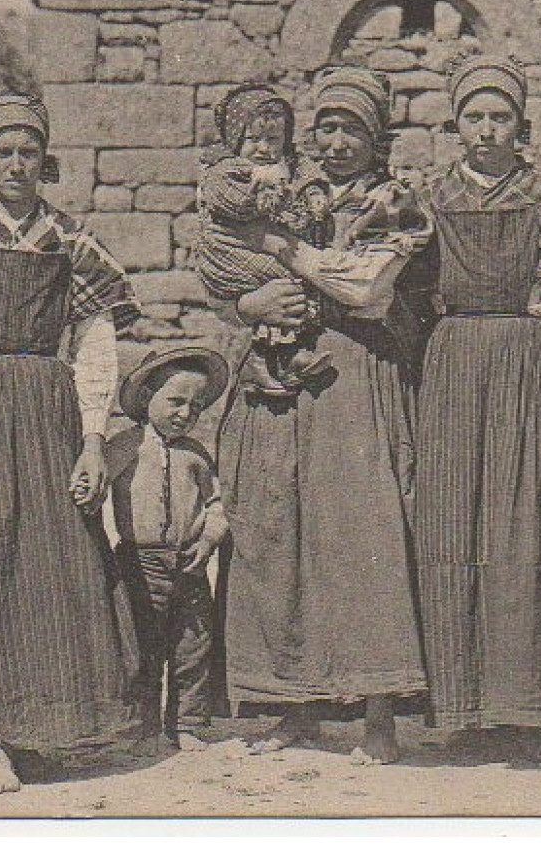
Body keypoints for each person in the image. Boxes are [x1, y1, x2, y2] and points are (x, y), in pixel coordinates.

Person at [0, 94, 142, 794]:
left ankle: (47, 731)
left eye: (28, 153)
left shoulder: (71, 240)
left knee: (55, 568)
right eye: (2, 154)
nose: (16, 166)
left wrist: (94, 442)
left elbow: (97, 350)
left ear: (46, 160)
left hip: (50, 415)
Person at [207, 67, 430, 764]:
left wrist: (283, 252)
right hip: (278, 374)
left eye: (352, 130)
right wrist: (250, 305)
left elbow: (365, 287)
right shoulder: (284, 193)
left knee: (362, 534)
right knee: (277, 529)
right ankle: (290, 708)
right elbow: (220, 268)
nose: (336, 143)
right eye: (325, 128)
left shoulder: (394, 202)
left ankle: (377, 714)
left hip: (355, 371)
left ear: (376, 140)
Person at [412, 52, 541, 764]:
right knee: (451, 530)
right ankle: (462, 717)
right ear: (454, 124)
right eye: (474, 116)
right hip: (449, 377)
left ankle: (536, 717)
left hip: (529, 377)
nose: (486, 130)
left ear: (521, 125)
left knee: (529, 534)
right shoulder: (427, 202)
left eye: (500, 117)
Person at [105, 348, 232, 751]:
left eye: (194, 407)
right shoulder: (122, 448)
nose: (184, 413)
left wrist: (209, 541)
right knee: (143, 646)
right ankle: (143, 728)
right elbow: (96, 494)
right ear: (146, 400)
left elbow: (218, 505)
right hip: (138, 563)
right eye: (175, 401)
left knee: (192, 644)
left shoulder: (195, 455)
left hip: (189, 562)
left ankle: (188, 723)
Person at [194, 83, 335, 396]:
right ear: (234, 140)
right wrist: (261, 197)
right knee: (284, 285)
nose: (263, 149)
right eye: (252, 140)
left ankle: (285, 358)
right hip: (233, 253)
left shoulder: (290, 163)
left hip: (271, 249)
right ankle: (264, 358)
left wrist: (314, 194)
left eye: (273, 140)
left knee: (288, 288)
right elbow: (226, 200)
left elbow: (308, 176)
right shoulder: (227, 168)